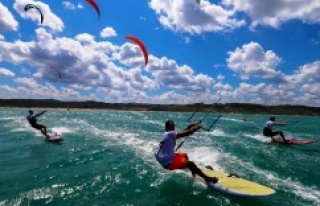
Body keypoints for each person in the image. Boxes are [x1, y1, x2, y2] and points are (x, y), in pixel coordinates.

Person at [155, 120, 218, 184]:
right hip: (168, 162)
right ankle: (207, 179)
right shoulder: (170, 134)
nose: (172, 128)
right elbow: (186, 133)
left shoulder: (167, 134)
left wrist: (189, 127)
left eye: (173, 126)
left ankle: (193, 170)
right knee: (191, 163)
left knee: (184, 155)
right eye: (170, 127)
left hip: (165, 158)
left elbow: (182, 133)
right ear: (166, 128)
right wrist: (196, 128)